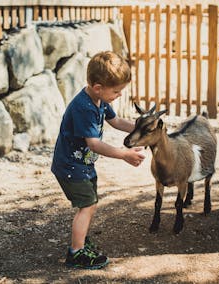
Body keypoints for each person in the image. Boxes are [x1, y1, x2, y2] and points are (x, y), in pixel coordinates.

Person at [51, 51, 145, 269]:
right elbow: (93, 144)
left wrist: (143, 127)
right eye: (117, 91)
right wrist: (124, 154)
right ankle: (76, 253)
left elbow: (117, 121)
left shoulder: (100, 100)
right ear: (98, 88)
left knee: (90, 204)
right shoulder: (84, 107)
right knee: (87, 205)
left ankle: (81, 242)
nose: (120, 95)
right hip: (70, 167)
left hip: (82, 165)